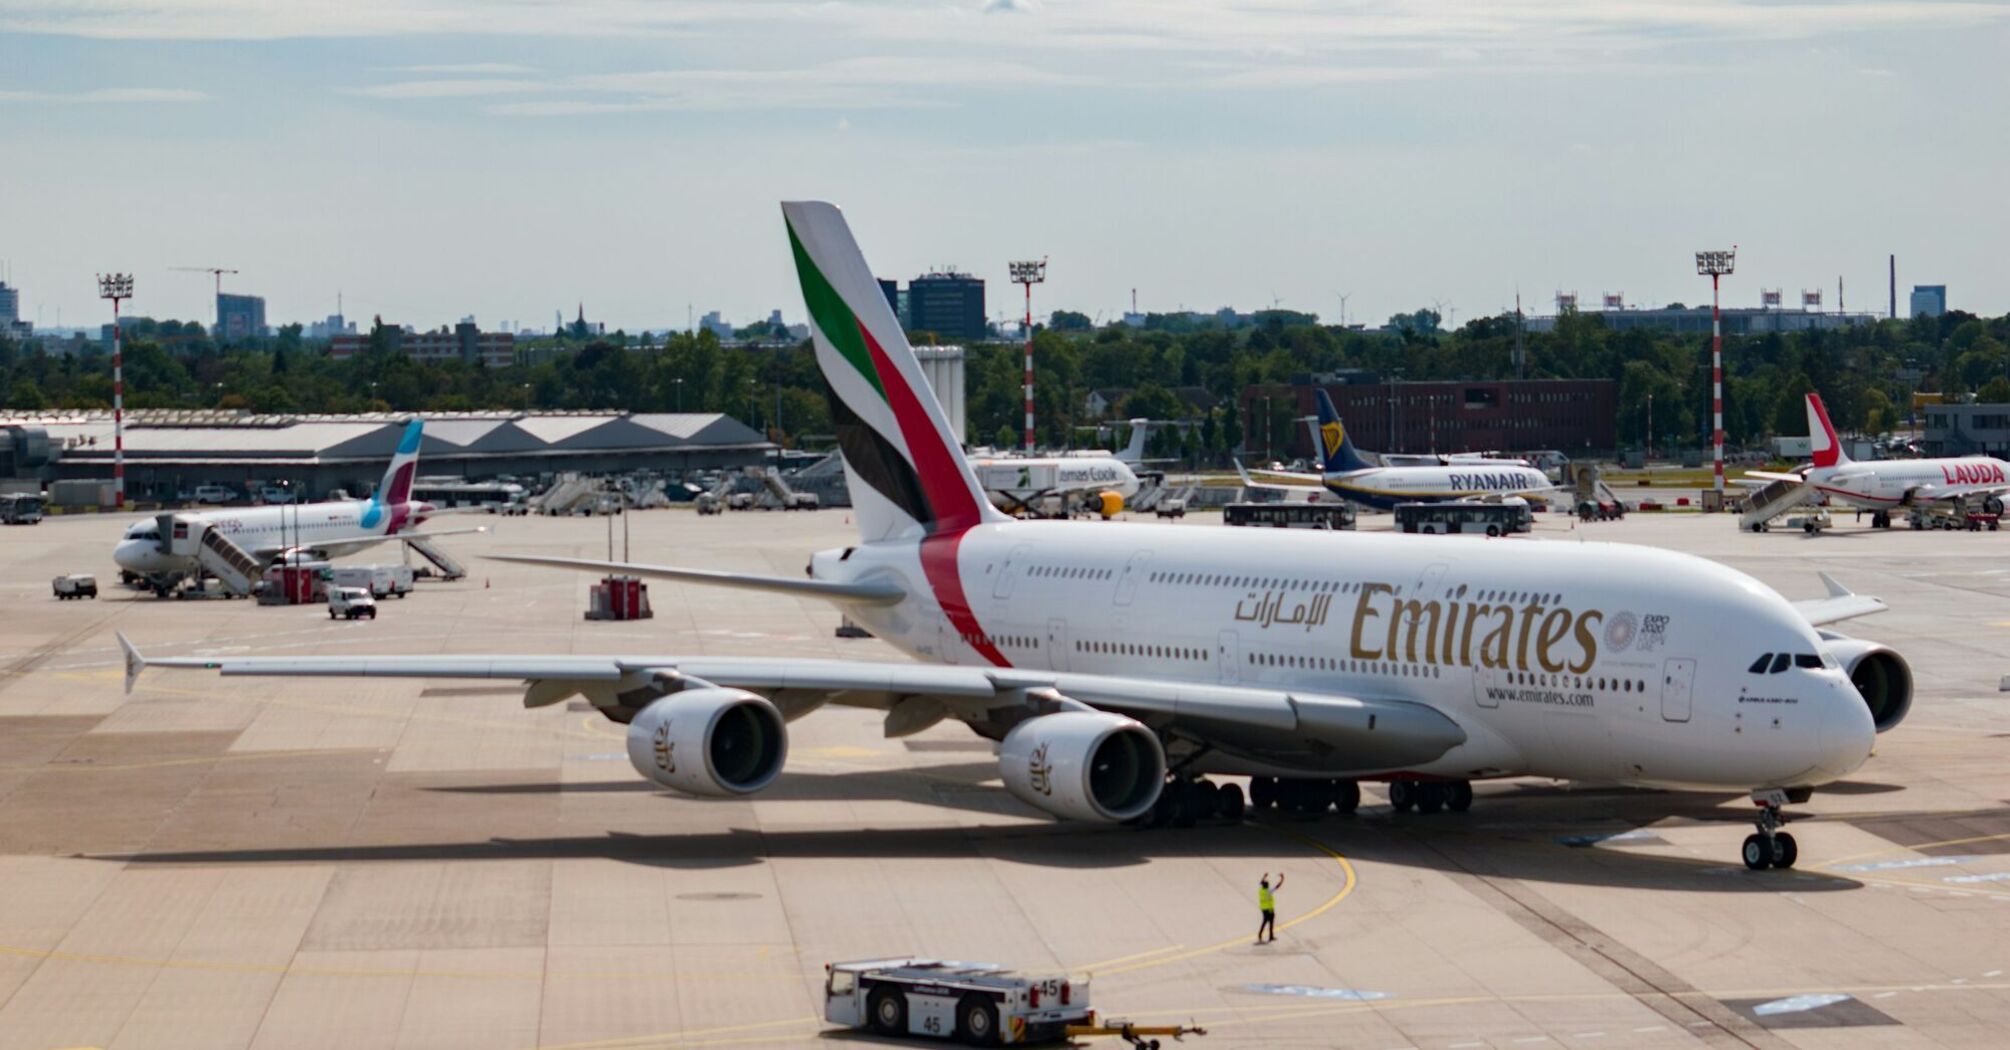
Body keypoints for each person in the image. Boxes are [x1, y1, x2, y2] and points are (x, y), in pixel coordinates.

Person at [1256, 872, 1284, 943]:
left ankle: (1267, 935)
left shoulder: (1260, 890)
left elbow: (1260, 882)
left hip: (1263, 908)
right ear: (1267, 886)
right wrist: (1282, 879)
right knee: (1269, 922)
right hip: (1269, 909)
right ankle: (1265, 935)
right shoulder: (1269, 891)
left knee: (1266, 921)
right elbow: (1277, 886)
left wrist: (1264, 876)